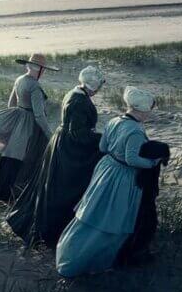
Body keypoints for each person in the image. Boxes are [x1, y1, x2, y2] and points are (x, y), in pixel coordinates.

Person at [56, 87, 162, 278]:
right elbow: (132, 160)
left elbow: (103, 146)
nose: (149, 113)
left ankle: (70, 252)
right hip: (122, 177)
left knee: (93, 212)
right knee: (113, 218)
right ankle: (98, 259)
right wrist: (154, 161)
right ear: (142, 109)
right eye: (149, 110)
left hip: (105, 170)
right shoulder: (136, 130)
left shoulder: (114, 121)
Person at [7, 66, 106, 247]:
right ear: (93, 86)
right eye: (99, 86)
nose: (99, 89)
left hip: (64, 143)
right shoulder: (79, 101)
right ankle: (54, 230)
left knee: (56, 186)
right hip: (69, 149)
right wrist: (103, 138)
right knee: (63, 188)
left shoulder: (76, 93)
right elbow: (78, 133)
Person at [0, 53, 57, 203]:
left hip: (18, 119)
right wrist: (50, 134)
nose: (44, 72)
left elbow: (11, 104)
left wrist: (15, 121)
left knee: (9, 153)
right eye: (43, 69)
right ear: (38, 69)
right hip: (28, 124)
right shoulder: (35, 86)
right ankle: (9, 196)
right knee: (22, 156)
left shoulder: (20, 80)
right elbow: (39, 115)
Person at [114, 140, 170, 267]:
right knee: (148, 224)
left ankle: (130, 254)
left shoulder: (137, 174)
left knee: (139, 225)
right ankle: (137, 256)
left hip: (138, 198)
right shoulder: (151, 172)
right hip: (147, 198)